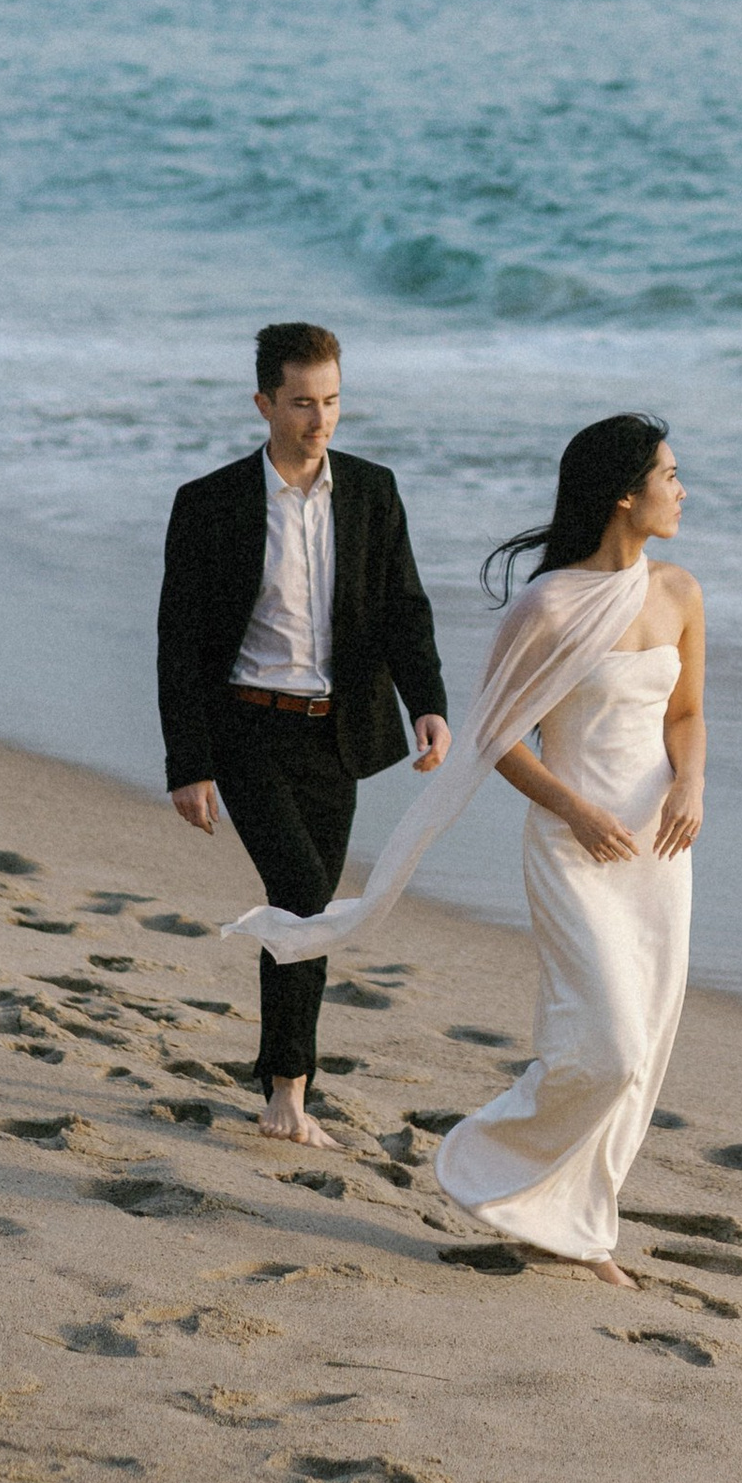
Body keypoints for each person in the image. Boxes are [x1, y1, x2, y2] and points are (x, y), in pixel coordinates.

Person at [156, 321, 450, 1144]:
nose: (320, 421)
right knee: (302, 895)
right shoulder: (209, 504)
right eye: (301, 404)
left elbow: (404, 607)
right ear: (263, 404)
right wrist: (190, 762)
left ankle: (286, 1084)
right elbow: (177, 643)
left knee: (309, 911)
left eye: (332, 402)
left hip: (337, 736)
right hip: (247, 729)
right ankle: (287, 1091)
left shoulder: (372, 491)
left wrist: (427, 702)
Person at [433, 414, 705, 1282]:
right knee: (607, 1045)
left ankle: (580, 1227)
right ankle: (490, 1161)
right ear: (625, 493)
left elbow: (687, 714)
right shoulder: (547, 605)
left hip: (660, 852)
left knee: (644, 1049)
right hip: (572, 848)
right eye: (668, 474)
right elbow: (495, 736)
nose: (681, 488)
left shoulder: (679, 592)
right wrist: (577, 810)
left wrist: (691, 784)